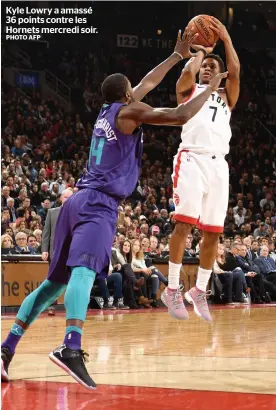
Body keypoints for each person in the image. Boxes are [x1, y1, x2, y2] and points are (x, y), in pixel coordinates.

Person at [1, 30, 227, 389]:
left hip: (76, 201)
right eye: (132, 90)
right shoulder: (130, 110)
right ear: (127, 94)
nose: (137, 91)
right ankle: (70, 347)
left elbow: (147, 84)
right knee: (83, 273)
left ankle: (5, 349)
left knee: (52, 284)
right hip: (98, 204)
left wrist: (174, 56)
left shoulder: (109, 110)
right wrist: (212, 86)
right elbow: (182, 114)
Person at [161, 17, 240, 322]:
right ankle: (171, 289)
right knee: (184, 225)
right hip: (192, 158)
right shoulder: (189, 91)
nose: (208, 68)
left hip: (219, 165)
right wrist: (199, 52)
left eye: (213, 66)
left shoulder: (226, 98)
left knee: (212, 233)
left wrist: (226, 39)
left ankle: (199, 290)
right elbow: (185, 75)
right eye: (205, 66)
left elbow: (236, 71)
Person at [41, 188, 74, 315]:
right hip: (54, 252)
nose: (68, 200)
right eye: (66, 197)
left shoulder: (76, 213)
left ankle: (71, 306)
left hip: (71, 252)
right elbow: (46, 233)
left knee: (71, 280)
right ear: (61, 198)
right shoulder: (52, 212)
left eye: (70, 198)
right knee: (53, 280)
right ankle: (51, 306)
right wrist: (44, 250)